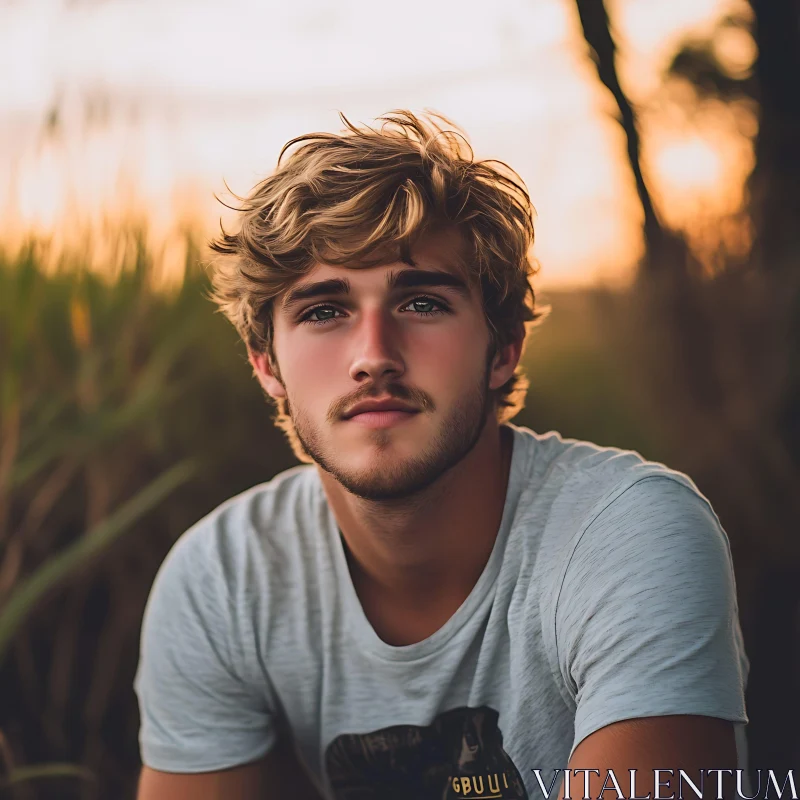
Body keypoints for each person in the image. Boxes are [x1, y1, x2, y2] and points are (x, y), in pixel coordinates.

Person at [133, 111, 749, 800]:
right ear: (267, 365)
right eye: (324, 311)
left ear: (503, 348)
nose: (373, 357)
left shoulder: (629, 535)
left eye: (422, 302)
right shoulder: (220, 578)